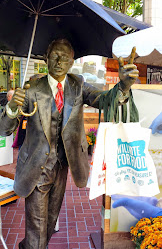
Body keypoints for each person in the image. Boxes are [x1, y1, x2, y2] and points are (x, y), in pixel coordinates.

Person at [0, 39, 138, 249]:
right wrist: (11, 107)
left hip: (62, 167)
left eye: (65, 57)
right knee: (37, 229)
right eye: (55, 55)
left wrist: (123, 86)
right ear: (46, 57)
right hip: (36, 167)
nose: (59, 61)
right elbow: (4, 130)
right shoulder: (31, 87)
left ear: (72, 61)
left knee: (48, 224)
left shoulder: (78, 84)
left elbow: (103, 99)